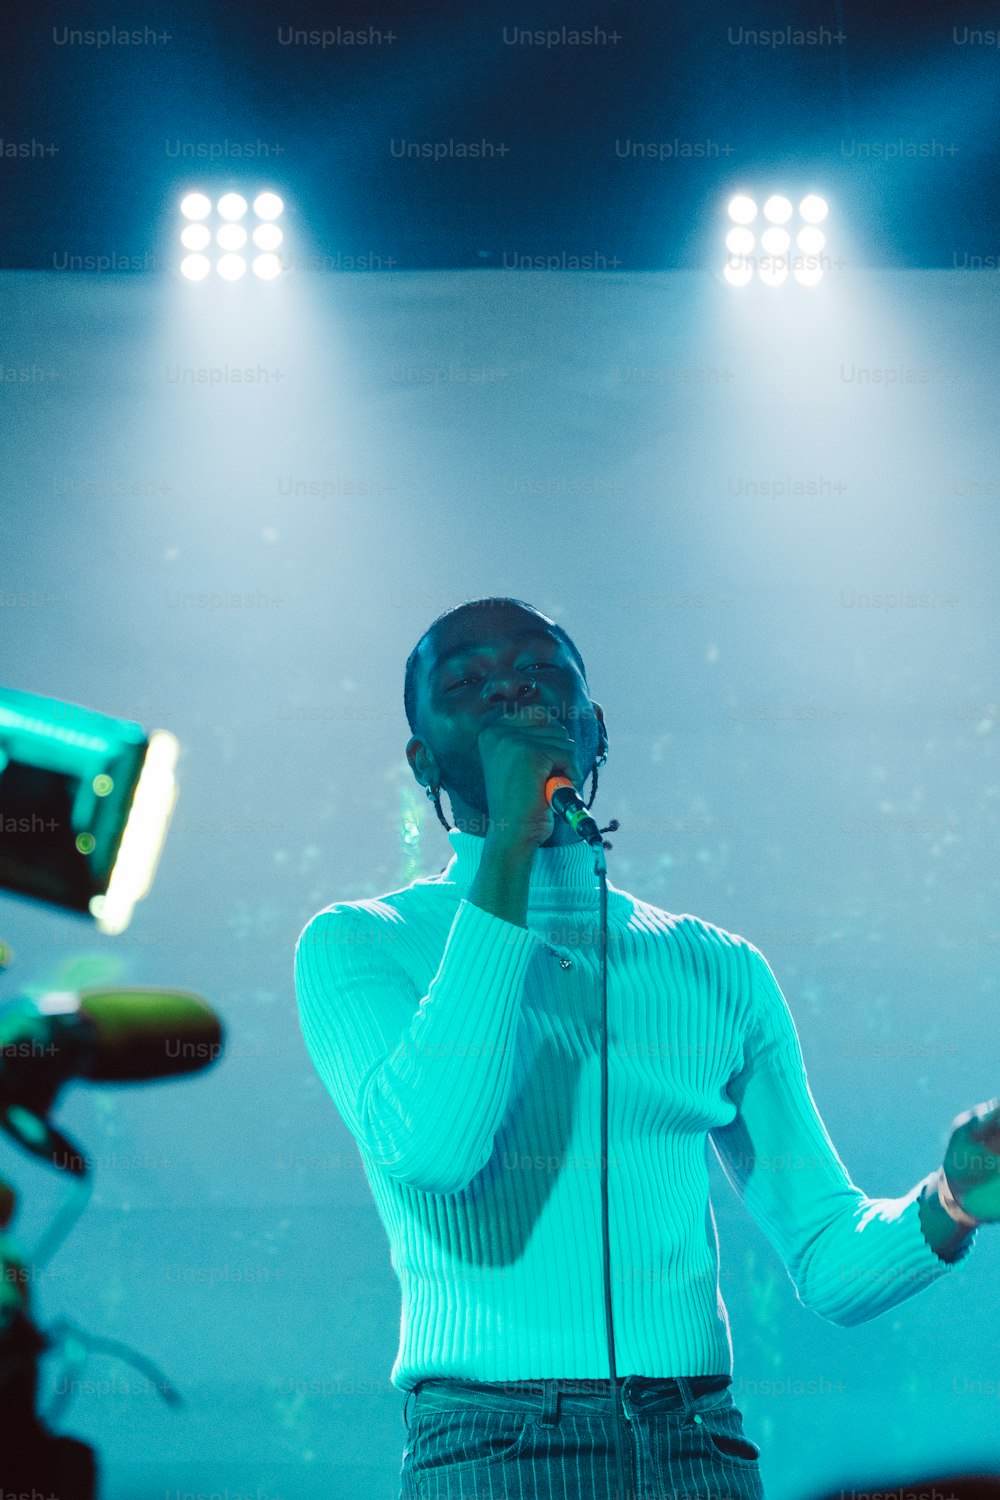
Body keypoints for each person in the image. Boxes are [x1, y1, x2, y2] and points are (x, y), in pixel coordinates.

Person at [294, 595, 999, 1500]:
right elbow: (437, 1148)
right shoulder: (361, 944)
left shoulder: (717, 968)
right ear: (423, 758)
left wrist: (952, 1202)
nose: (513, 697)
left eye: (541, 676)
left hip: (695, 1441)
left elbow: (826, 1256)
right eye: (468, 683)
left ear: (594, 728)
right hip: (494, 1447)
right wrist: (513, 843)